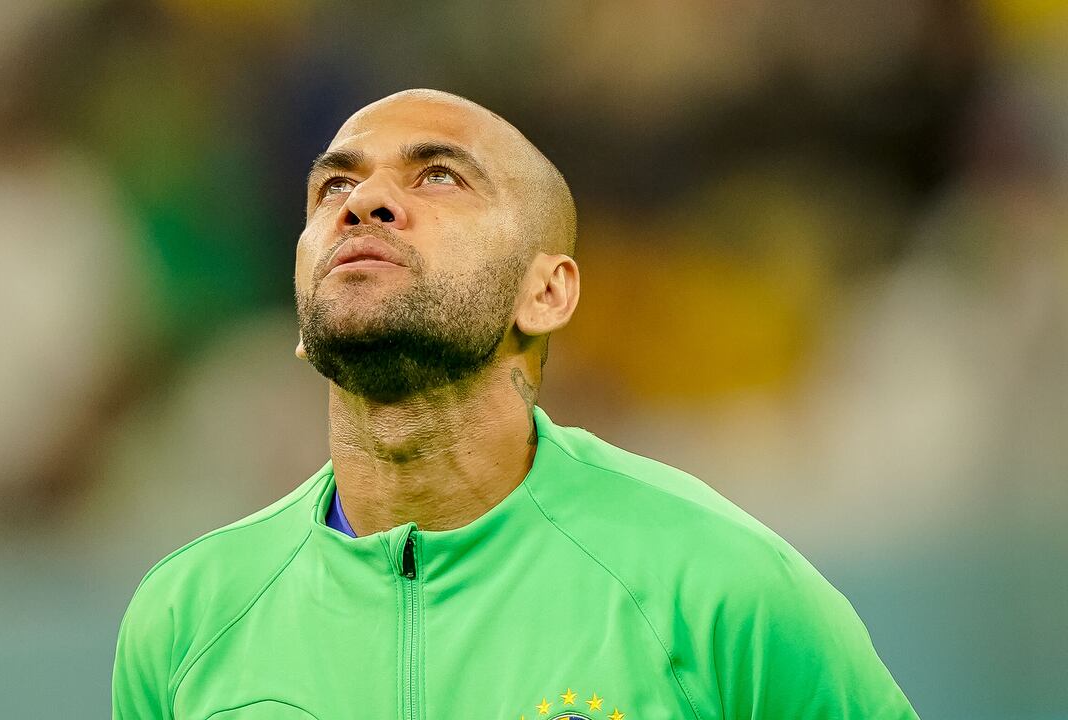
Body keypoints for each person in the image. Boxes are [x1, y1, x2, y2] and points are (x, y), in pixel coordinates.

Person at [112, 89, 919, 720]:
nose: (362, 203)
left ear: (547, 291)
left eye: (439, 175)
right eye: (335, 186)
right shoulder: (185, 620)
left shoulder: (719, 590)